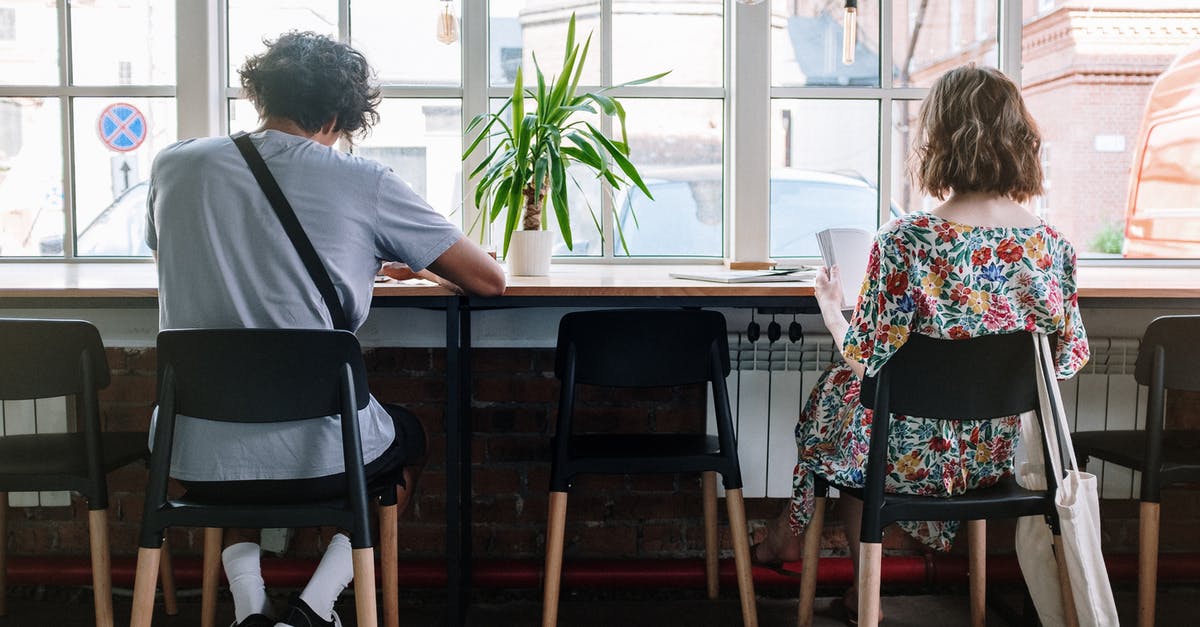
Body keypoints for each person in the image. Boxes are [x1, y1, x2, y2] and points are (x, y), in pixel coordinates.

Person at [146, 31, 505, 627]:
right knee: (406, 445)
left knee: (241, 440)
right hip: (322, 453)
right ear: (341, 114)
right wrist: (373, 255)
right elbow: (488, 279)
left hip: (190, 448)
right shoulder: (363, 180)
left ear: (260, 94)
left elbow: (180, 250)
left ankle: (249, 608)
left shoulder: (174, 164)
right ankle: (314, 608)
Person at [751, 64, 1089, 620]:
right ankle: (808, 541)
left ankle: (826, 560)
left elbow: (867, 358)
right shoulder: (1053, 248)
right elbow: (1064, 362)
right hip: (988, 455)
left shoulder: (906, 241)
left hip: (903, 460)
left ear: (940, 141)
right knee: (859, 408)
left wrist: (833, 311)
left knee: (847, 402)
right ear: (1016, 141)